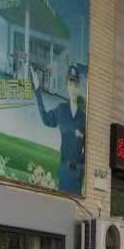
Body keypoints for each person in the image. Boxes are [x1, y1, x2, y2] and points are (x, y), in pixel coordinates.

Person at [32, 61, 86, 194]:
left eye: (75, 85)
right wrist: (37, 90)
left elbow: (88, 149)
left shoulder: (83, 117)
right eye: (70, 84)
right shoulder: (61, 110)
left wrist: (82, 167)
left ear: (78, 88)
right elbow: (46, 119)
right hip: (64, 170)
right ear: (67, 86)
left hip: (78, 174)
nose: (72, 88)